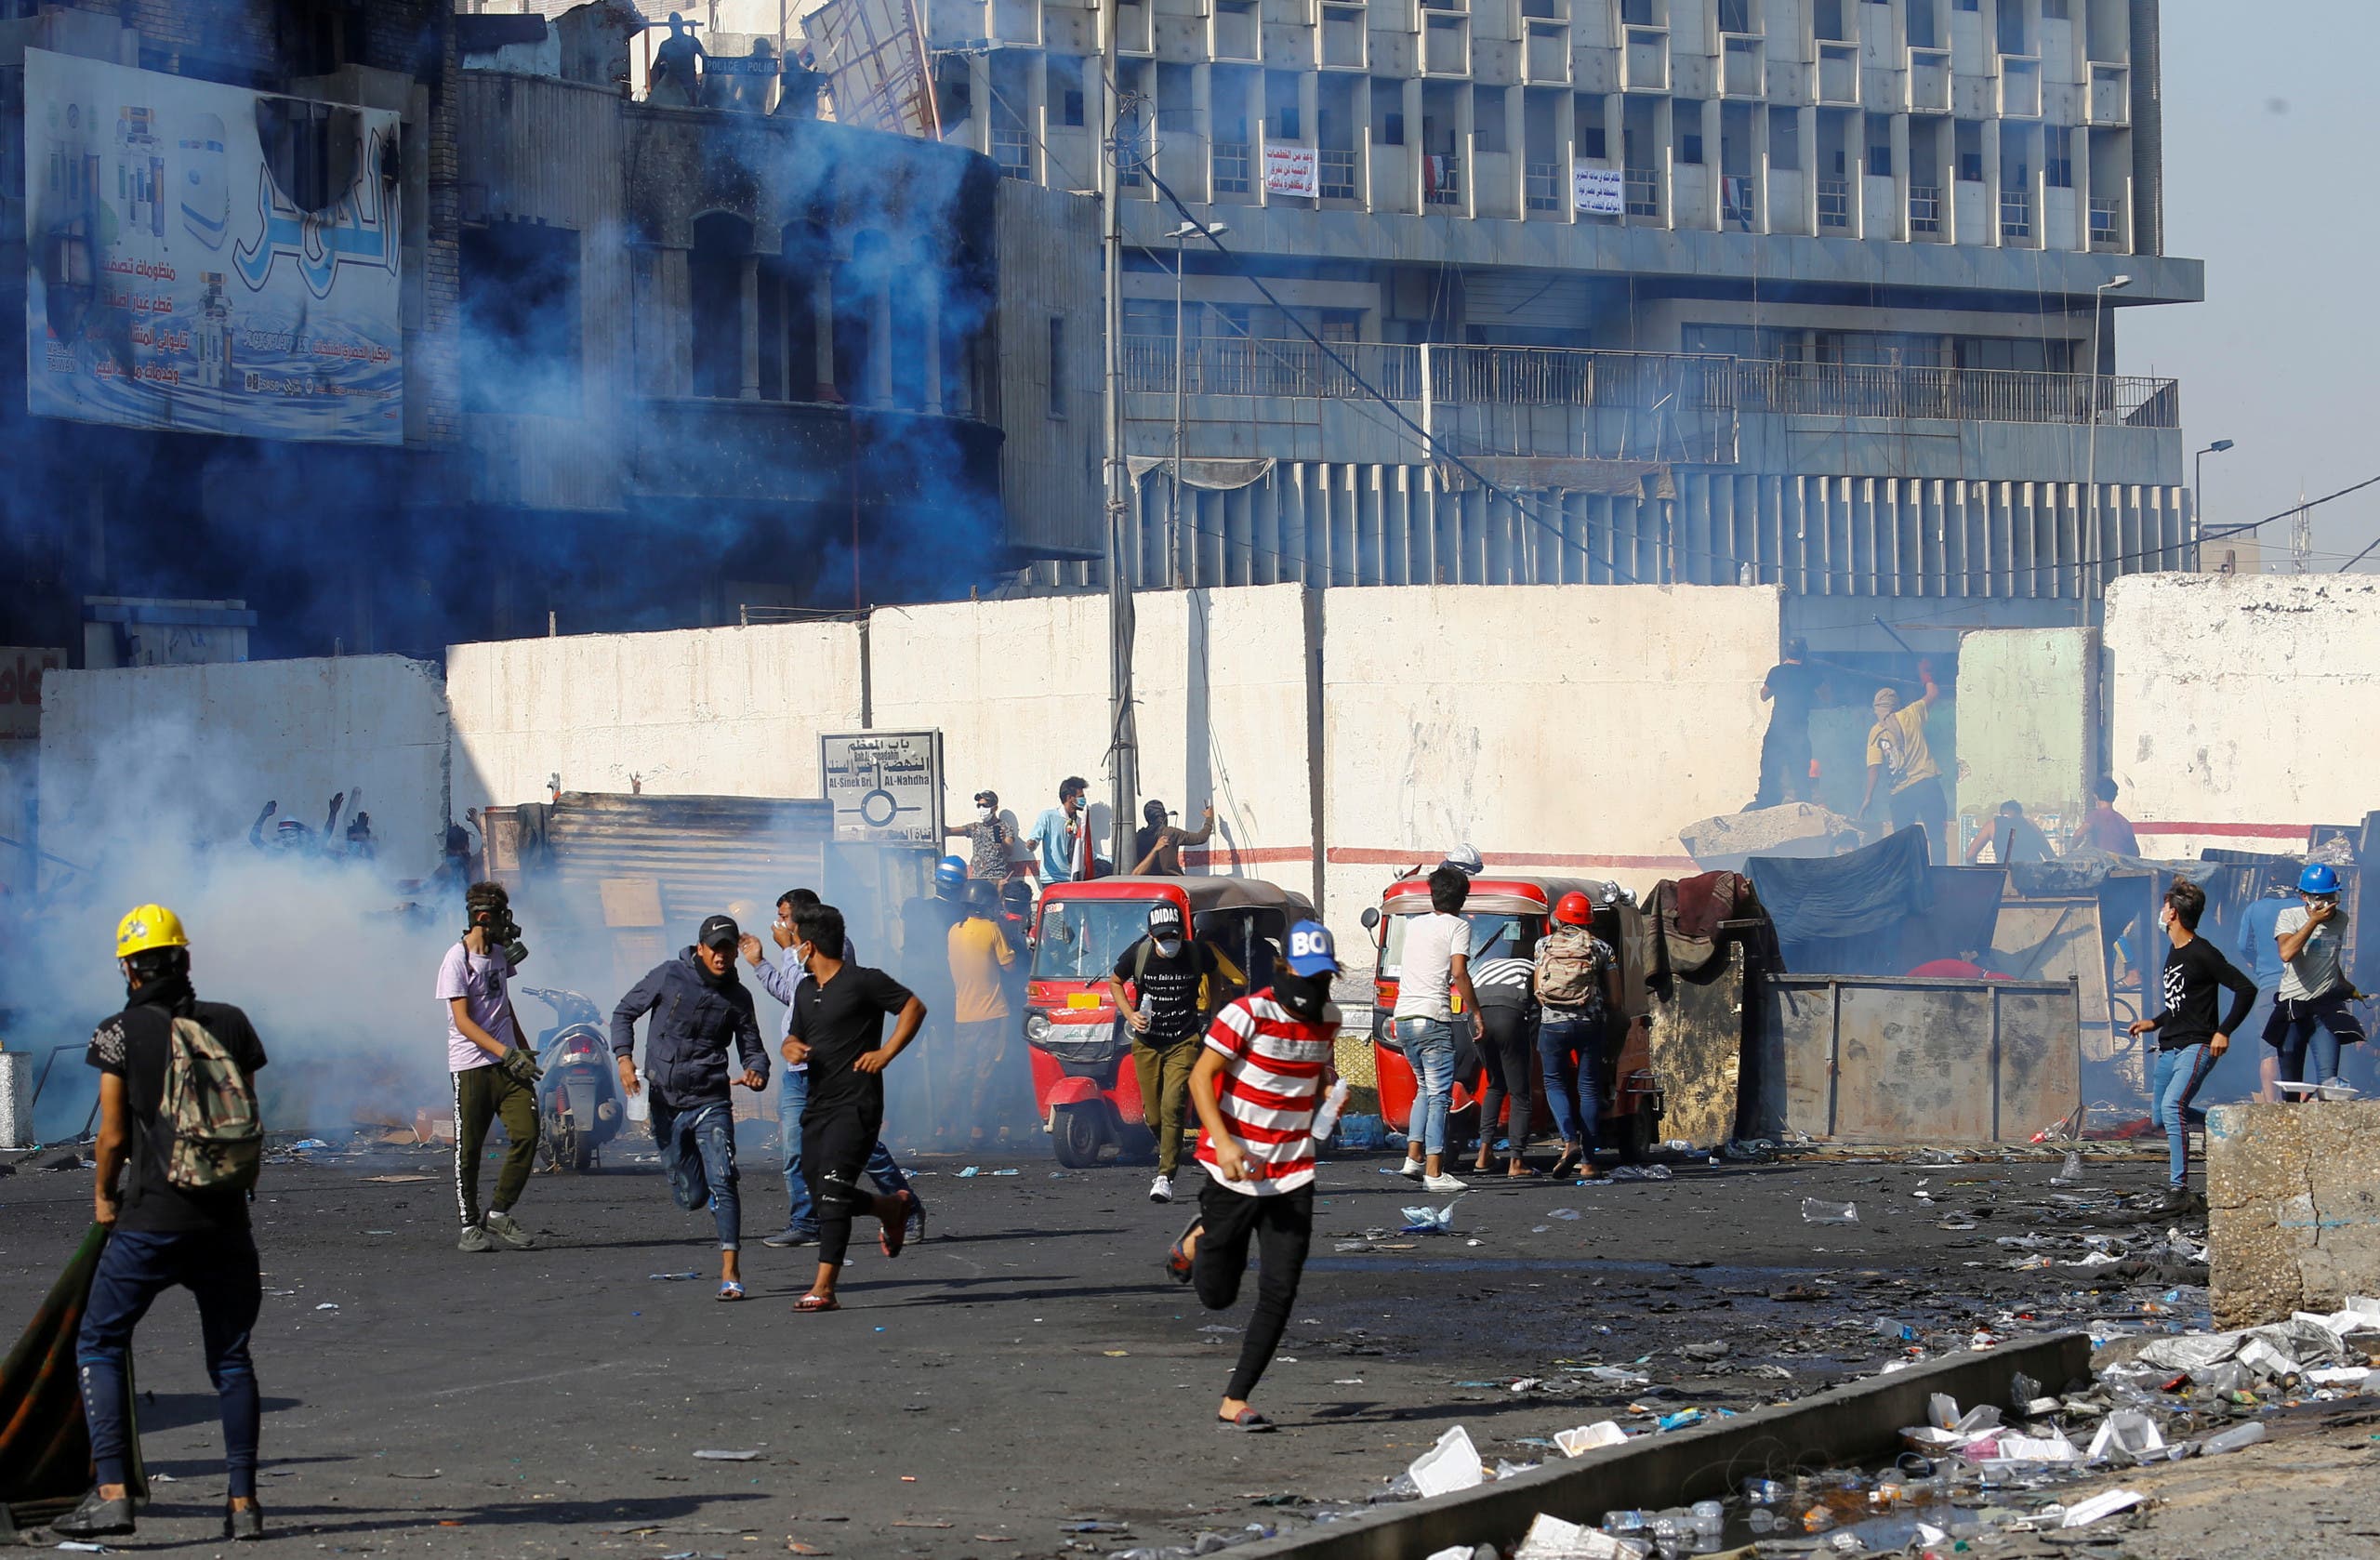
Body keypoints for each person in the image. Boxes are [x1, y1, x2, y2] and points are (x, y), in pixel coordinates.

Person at [60, 905, 267, 1541]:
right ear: (186, 958)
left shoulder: (118, 1032)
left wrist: (104, 1197)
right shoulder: (230, 1023)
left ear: (129, 970)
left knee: (99, 1342)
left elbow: (112, 1135)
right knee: (230, 1359)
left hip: (151, 1219)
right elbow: (246, 1113)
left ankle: (113, 1494)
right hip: (225, 1221)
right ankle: (243, 1505)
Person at [1163, 919, 1342, 1432]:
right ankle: (1200, 1235)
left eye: (1322, 976)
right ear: (1284, 967)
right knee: (1217, 1295)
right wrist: (1223, 1142)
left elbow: (1311, 1073)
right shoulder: (1246, 1014)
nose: (1312, 986)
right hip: (1235, 1169)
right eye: (1304, 974)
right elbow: (1201, 1078)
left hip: (1293, 1171)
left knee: (1280, 1289)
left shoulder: (1329, 1019)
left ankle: (1235, 1398)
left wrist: (1328, 1097)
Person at [745, 890, 923, 1248]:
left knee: (864, 1150)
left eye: (785, 917)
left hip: (836, 1070)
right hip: (799, 1072)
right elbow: (794, 996)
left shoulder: (835, 947)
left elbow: (809, 984)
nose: (780, 924)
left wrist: (787, 950)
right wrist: (759, 964)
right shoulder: (797, 950)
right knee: (795, 1150)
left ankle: (907, 1208)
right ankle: (806, 1223)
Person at [612, 915, 771, 1302]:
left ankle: (730, 1272)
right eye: (715, 948)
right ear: (700, 948)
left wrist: (757, 1072)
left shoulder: (738, 998)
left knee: (724, 1178)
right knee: (692, 1197)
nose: (721, 955)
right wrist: (624, 1059)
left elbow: (753, 1050)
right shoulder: (669, 975)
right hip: (665, 1102)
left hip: (710, 1098)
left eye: (728, 949)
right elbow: (624, 1012)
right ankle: (702, 1192)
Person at [782, 902, 927, 1312]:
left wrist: (886, 1053)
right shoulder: (806, 990)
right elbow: (794, 1035)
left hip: (857, 1103)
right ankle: (889, 1206)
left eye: (795, 941)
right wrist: (790, 1046)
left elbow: (913, 1007)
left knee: (831, 1189)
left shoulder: (864, 981)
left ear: (809, 946)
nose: (793, 948)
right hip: (818, 1102)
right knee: (819, 1189)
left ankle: (824, 1288)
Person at [2126, 879, 2255, 1211]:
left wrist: (2224, 1031)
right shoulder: (2175, 952)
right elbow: (2180, 1004)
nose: (2161, 911)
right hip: (2170, 1046)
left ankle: (2179, 1187)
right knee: (2160, 1116)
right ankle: (2224, 1125)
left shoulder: (2203, 952)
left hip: (2197, 1045)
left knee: (2173, 1107)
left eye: (2164, 905)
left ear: (2173, 913)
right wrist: (2155, 1022)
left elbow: (2246, 989)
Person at [439, 882, 542, 1253]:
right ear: (483, 917)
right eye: (501, 916)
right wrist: (507, 1052)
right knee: (469, 1150)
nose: (507, 925)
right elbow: (463, 1022)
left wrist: (522, 1048)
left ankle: (498, 1213)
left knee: (527, 1134)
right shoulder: (456, 960)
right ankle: (469, 1225)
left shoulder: (500, 955)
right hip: (471, 1067)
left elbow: (504, 1005)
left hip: (508, 1064)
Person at [1111, 901, 1223, 1204]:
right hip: (1147, 1044)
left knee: (1173, 1105)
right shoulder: (1139, 954)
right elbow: (1116, 982)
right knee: (1153, 1115)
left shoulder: (1197, 953)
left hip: (1183, 1041)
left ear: (1183, 933)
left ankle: (1165, 1176)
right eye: (1162, 937)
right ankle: (1169, 1146)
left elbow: (1216, 976)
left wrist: (1214, 1013)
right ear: (1151, 935)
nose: (1169, 941)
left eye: (1174, 935)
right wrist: (1130, 1015)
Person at [1394, 866, 1483, 1193]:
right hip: (1433, 1018)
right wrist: (1476, 1012)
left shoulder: (1415, 925)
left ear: (1432, 895)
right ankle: (1434, 1172)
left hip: (1403, 1018)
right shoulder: (1458, 926)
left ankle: (1413, 1157)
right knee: (1440, 1096)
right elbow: (1459, 972)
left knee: (1424, 1088)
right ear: (1463, 899)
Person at [1533, 891, 1622, 1182]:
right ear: (1589, 921)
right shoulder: (1602, 948)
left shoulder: (1543, 945)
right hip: (1589, 1025)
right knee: (1588, 1088)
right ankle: (1588, 1162)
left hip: (1552, 1025)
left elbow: (1538, 991)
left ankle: (1569, 1140)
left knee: (1554, 1083)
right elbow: (1616, 1000)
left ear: (1559, 919)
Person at [2266, 863, 2367, 1092]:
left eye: (2331, 897)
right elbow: (2286, 953)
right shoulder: (2289, 917)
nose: (2326, 904)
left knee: (2329, 1082)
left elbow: (2330, 957)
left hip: (2325, 1006)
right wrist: (2313, 921)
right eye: (2320, 898)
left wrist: (2345, 984)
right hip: (2294, 1005)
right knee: (2292, 1084)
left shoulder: (2341, 920)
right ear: (2305, 897)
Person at [949, 879, 1022, 1149]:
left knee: (960, 1071)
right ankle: (978, 1130)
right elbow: (1010, 966)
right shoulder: (992, 929)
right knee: (986, 1072)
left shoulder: (954, 931)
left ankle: (946, 1126)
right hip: (992, 1013)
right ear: (986, 905)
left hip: (962, 1014)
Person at [1467, 919, 1539, 1180]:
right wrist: (1534, 1043)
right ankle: (1516, 1161)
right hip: (1509, 1017)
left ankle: (1483, 1154)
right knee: (1520, 1094)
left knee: (1496, 1084)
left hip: (1477, 1020)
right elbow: (1536, 1007)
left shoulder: (1487, 964)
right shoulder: (1532, 966)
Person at [1858, 666, 1949, 862]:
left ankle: (1910, 876)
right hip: (1927, 785)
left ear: (1877, 708)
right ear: (1896, 704)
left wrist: (1868, 797)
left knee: (1904, 844)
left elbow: (1874, 768)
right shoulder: (1911, 713)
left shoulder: (1876, 732)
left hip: (1901, 794)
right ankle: (1940, 875)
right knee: (1937, 838)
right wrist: (1926, 673)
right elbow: (1933, 693)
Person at [2235, 879, 2294, 1102]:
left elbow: (2243, 945)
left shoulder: (2254, 909)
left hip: (2269, 986)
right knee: (2300, 1047)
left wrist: (2257, 963)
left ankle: (2270, 1105)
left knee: (2269, 1051)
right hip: (2302, 986)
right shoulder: (2304, 907)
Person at [1752, 638, 1822, 808]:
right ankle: (1804, 807)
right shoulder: (1812, 673)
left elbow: (1763, 695)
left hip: (1777, 730)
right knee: (1800, 774)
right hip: (1798, 731)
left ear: (1787, 652)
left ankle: (1765, 803)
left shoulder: (1776, 672)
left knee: (1770, 769)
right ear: (1804, 653)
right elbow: (1826, 696)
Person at [1027, 776, 1091, 887]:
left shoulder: (1080, 822)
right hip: (1052, 879)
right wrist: (1031, 844)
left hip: (1072, 879)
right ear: (1070, 798)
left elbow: (1084, 850)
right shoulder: (1048, 816)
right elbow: (1034, 839)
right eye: (1081, 797)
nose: (1084, 800)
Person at [1132, 800, 1215, 877]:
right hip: (1173, 881)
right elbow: (1201, 838)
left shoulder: (1139, 836)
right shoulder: (1169, 833)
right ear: (1163, 815)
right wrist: (1209, 819)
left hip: (1148, 882)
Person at [947, 788, 1014, 882]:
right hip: (977, 879)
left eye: (985, 805)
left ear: (995, 808)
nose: (981, 808)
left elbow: (1009, 851)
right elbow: (950, 831)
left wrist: (1002, 840)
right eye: (979, 805)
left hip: (996, 879)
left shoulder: (1004, 827)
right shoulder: (975, 827)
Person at [1964, 800, 2056, 865]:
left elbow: (1970, 855)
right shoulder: (2030, 823)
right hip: (2033, 877)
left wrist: (1978, 876)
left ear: (2001, 813)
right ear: (2020, 813)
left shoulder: (1992, 825)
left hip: (2006, 877)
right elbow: (2050, 855)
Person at [2075, 777, 2140, 857]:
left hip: (2104, 863)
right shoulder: (2124, 822)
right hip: (2121, 863)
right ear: (2115, 796)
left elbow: (2079, 834)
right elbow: (2136, 853)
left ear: (2095, 796)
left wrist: (2071, 851)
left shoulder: (2096, 816)